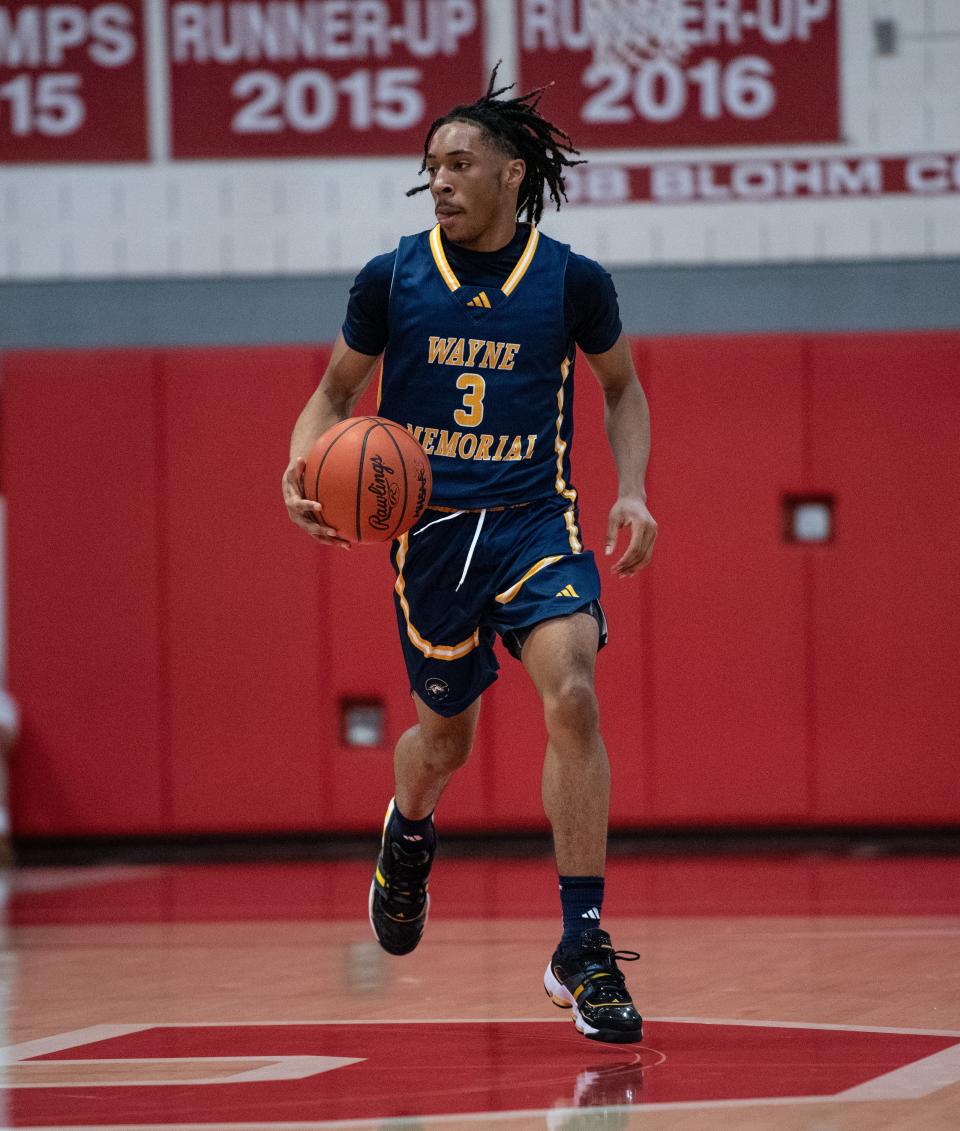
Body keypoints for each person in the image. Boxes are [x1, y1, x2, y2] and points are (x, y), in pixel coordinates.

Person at [282, 68, 657, 1044]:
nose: (439, 180)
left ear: (513, 171)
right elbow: (331, 395)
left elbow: (622, 390)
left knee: (571, 690)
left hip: (537, 522)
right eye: (430, 166)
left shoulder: (571, 281)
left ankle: (582, 943)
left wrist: (632, 489)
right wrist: (302, 466)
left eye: (458, 163)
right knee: (443, 742)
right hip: (434, 540)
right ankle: (409, 833)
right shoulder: (392, 278)